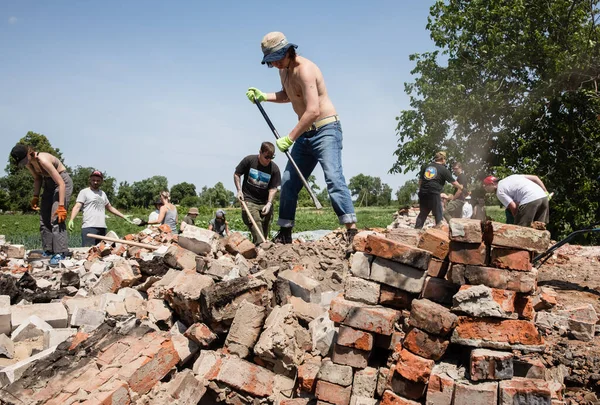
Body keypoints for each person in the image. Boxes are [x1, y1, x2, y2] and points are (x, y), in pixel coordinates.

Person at [246, 32, 357, 245]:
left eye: (278, 58)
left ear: (289, 51)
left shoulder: (305, 70)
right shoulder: (284, 71)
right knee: (288, 182)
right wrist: (264, 96)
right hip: (305, 134)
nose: (276, 64)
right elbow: (288, 95)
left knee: (333, 178)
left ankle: (351, 230)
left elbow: (313, 110)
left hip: (326, 129)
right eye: (271, 61)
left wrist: (289, 137)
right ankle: (285, 232)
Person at [11, 143, 73, 264]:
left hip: (62, 182)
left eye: (24, 160)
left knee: (56, 218)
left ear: (29, 153)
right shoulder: (29, 163)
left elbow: (61, 184)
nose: (24, 164)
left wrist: (61, 206)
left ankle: (60, 253)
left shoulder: (43, 160)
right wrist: (35, 196)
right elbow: (37, 178)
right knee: (44, 218)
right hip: (49, 184)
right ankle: (49, 250)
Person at [68, 170, 130, 247]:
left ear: (101, 181)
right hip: (89, 227)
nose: (95, 182)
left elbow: (109, 207)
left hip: (102, 228)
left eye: (98, 180)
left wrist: (123, 216)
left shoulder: (102, 194)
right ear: (90, 179)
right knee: (88, 251)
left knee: (101, 253)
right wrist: (71, 219)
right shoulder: (84, 192)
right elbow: (77, 206)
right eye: (93, 180)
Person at [234, 142, 280, 244]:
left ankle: (260, 247)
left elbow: (273, 188)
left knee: (265, 226)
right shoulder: (249, 161)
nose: (268, 160)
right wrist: (239, 190)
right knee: (255, 223)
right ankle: (260, 245)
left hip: (264, 202)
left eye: (271, 157)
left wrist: (269, 203)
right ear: (260, 152)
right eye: (266, 157)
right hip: (249, 200)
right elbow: (237, 174)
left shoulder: (274, 169)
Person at [415, 152, 463, 229]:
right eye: (445, 159)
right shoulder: (444, 169)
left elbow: (420, 181)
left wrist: (421, 190)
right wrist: (461, 187)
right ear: (443, 159)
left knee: (423, 213)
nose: (445, 161)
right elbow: (454, 183)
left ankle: (416, 231)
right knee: (438, 214)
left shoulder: (426, 167)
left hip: (423, 192)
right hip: (434, 193)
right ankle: (438, 233)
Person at [483, 174, 550, 227]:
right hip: (543, 197)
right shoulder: (512, 177)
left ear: (492, 184)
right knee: (539, 226)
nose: (485, 189)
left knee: (520, 229)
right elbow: (535, 178)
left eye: (485, 186)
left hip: (529, 199)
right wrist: (545, 191)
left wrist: (517, 220)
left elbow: (513, 206)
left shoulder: (499, 191)